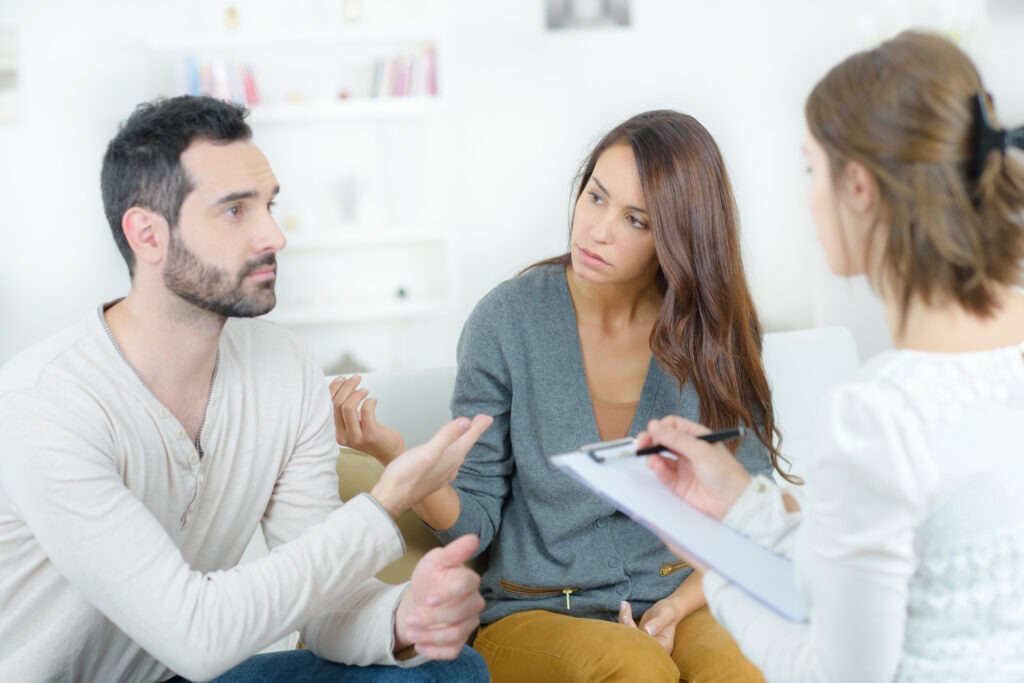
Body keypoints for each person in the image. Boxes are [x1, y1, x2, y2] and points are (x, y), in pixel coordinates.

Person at [0, 94, 495, 683]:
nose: (274, 236)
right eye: (236, 211)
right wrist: (385, 503)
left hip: (181, 675)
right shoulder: (44, 404)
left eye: (269, 205)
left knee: (445, 669)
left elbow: (323, 606)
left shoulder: (283, 365)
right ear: (147, 235)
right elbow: (197, 637)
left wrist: (405, 618)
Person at [333, 110, 797, 681]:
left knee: (743, 672)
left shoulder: (713, 335)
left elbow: (748, 518)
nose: (598, 229)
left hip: (681, 595)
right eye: (596, 197)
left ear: (678, 237)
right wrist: (398, 458)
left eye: (636, 220)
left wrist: (674, 609)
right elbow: (474, 522)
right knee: (635, 669)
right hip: (538, 608)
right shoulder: (507, 320)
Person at [642, 30, 1024, 682]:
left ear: (858, 188)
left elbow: (835, 673)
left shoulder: (880, 413)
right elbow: (866, 568)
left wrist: (720, 565)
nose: (807, 196)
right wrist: (741, 504)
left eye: (808, 169)